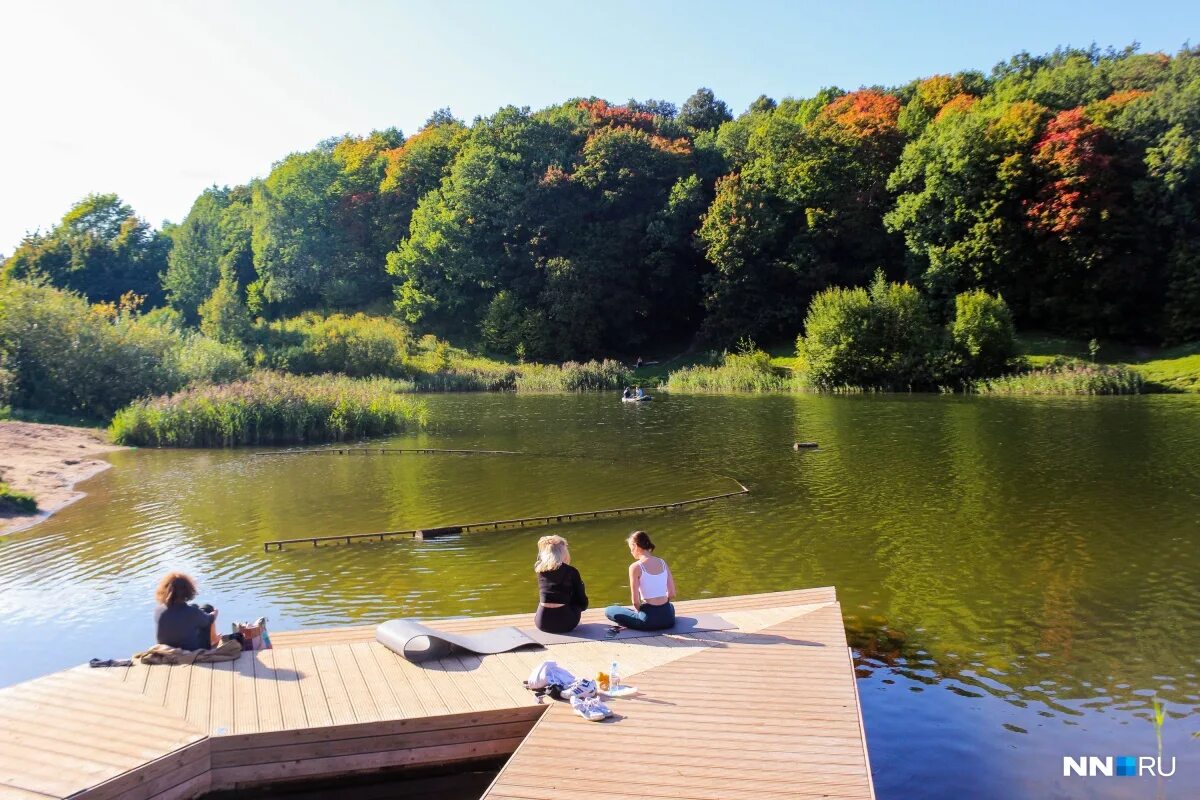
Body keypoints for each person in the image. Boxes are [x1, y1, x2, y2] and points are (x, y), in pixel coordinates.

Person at [605, 530, 676, 631]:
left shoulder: (635, 567)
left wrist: (642, 613)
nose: (631, 552)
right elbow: (672, 593)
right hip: (668, 619)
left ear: (636, 546)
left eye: (631, 548)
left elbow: (635, 602)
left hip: (648, 621)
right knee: (671, 606)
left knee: (610, 610)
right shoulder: (662, 562)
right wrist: (661, 607)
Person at [533, 535, 588, 633]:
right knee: (574, 599)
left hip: (542, 623)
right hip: (566, 624)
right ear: (563, 553)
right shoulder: (571, 571)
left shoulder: (540, 571)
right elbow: (582, 602)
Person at [154, 572, 219, 650]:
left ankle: (213, 638)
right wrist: (215, 612)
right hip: (189, 651)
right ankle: (214, 640)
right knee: (208, 608)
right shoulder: (193, 612)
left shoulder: (158, 610)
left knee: (195, 607)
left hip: (166, 649)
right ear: (187, 590)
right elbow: (210, 619)